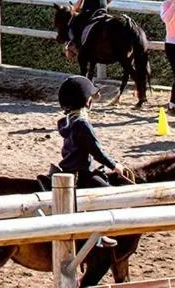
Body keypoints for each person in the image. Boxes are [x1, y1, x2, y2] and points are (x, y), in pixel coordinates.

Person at [56, 75, 126, 247]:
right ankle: (97, 235)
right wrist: (114, 165)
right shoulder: (82, 124)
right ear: (86, 101)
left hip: (69, 169)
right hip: (82, 173)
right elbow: (97, 151)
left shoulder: (67, 121)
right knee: (109, 196)